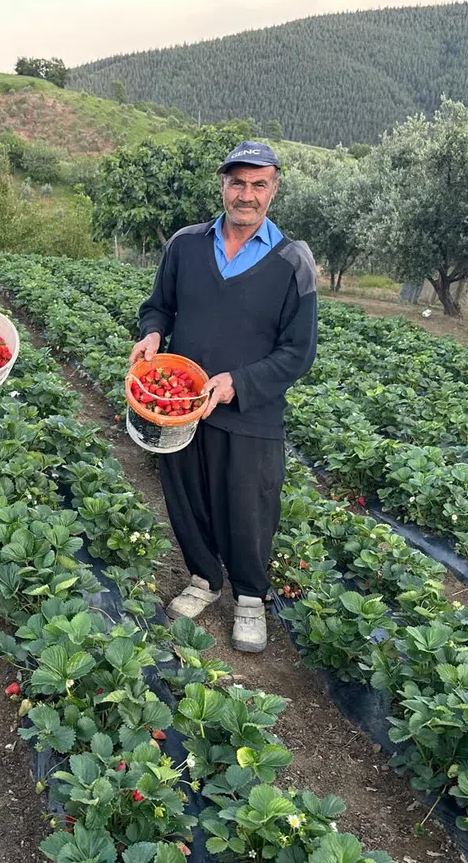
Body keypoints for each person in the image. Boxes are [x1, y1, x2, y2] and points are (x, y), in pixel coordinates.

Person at [131, 141, 317, 653]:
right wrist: (150, 335)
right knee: (186, 494)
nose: (247, 194)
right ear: (223, 185)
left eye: (259, 184)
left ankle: (251, 599)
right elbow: (158, 308)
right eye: (238, 182)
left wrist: (238, 382)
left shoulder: (292, 261)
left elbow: (298, 352)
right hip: (183, 405)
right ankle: (204, 579)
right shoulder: (186, 245)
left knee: (249, 508)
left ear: (274, 189)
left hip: (251, 414)